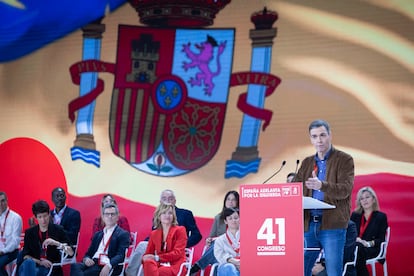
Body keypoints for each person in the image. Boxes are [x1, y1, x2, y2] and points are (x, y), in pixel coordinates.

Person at [295, 119, 354, 276]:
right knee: (300, 271)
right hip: (309, 224)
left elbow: (345, 190)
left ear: (330, 135)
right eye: (314, 136)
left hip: (332, 225)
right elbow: (295, 188)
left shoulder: (344, 159)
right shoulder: (307, 162)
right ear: (310, 139)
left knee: (333, 272)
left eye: (322, 135)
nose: (319, 140)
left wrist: (322, 185)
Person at [126, 189, 202, 276]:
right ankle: (130, 273)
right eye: (164, 199)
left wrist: (181, 244)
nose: (167, 201)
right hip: (158, 248)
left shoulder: (185, 214)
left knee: (144, 247)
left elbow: (197, 235)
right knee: (145, 250)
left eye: (170, 198)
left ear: (175, 201)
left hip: (175, 249)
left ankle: (128, 273)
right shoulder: (157, 215)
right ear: (160, 201)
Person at [70, 203, 130, 276]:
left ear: (117, 217)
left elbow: (121, 255)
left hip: (107, 264)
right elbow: (88, 254)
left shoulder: (123, 234)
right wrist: (86, 259)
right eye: (107, 214)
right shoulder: (98, 235)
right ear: (103, 217)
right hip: (93, 262)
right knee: (75, 266)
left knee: (86, 273)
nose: (110, 216)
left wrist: (109, 265)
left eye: (112, 214)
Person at [18, 200, 74, 276]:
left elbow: (71, 252)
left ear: (49, 214)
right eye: (40, 217)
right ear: (35, 217)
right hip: (33, 265)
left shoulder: (58, 230)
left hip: (49, 268)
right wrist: (40, 262)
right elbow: (25, 255)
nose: (43, 220)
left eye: (45, 216)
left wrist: (56, 243)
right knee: (28, 263)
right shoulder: (30, 232)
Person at [190, 191, 239, 275]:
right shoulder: (218, 218)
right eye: (228, 199)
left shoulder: (240, 218)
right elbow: (211, 237)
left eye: (233, 200)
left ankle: (197, 266)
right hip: (221, 250)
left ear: (238, 202)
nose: (230, 202)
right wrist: (209, 240)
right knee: (217, 245)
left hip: (236, 250)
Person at [350, 186, 388, 276]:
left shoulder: (381, 217)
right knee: (353, 249)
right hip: (355, 246)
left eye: (367, 197)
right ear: (359, 202)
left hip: (372, 248)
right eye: (361, 198)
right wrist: (356, 239)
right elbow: (349, 234)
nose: (364, 200)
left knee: (356, 251)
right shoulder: (355, 215)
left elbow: (381, 239)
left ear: (373, 199)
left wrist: (367, 243)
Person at [142, 203, 187, 275]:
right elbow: (149, 253)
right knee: (148, 262)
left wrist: (157, 258)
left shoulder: (180, 230)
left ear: (173, 216)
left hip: (175, 266)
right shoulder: (154, 233)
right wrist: (145, 257)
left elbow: (177, 253)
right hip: (159, 264)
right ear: (159, 216)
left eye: (170, 213)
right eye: (164, 213)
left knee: (160, 271)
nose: (167, 216)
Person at [0, 191, 23, 276]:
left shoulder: (16, 218)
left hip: (12, 251)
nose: (0, 204)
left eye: (2, 201)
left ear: (7, 201)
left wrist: (3, 251)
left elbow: (15, 241)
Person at [213, 208, 240, 276]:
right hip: (227, 266)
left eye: (236, 218)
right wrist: (234, 262)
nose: (233, 220)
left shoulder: (248, 237)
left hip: (245, 264)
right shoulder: (220, 240)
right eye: (230, 218)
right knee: (229, 268)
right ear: (225, 221)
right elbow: (220, 255)